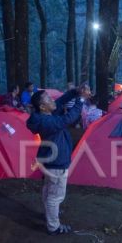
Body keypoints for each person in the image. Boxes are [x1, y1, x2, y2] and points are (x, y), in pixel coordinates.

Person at [27, 83, 92, 235]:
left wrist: (75, 92)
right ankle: (53, 226)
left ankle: (50, 214)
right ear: (43, 107)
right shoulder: (47, 122)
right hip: (56, 161)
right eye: (49, 99)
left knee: (49, 190)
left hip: (50, 159)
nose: (53, 100)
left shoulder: (46, 115)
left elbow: (61, 101)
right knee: (55, 196)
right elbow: (69, 118)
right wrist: (81, 99)